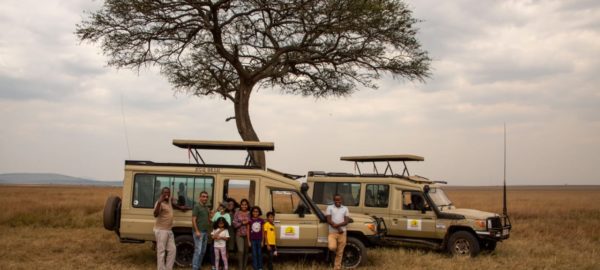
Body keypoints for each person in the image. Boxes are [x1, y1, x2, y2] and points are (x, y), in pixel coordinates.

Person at [153, 187, 188, 270]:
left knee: (172, 250)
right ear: (162, 194)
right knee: (161, 252)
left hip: (168, 230)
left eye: (168, 192)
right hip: (161, 230)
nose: (167, 194)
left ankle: (168, 268)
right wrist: (159, 202)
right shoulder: (159, 203)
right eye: (165, 192)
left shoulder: (168, 201)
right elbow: (155, 214)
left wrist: (181, 208)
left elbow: (173, 205)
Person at [325, 194, 350, 270]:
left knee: (340, 253)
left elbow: (346, 221)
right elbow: (329, 220)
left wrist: (338, 226)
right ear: (334, 200)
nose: (337, 201)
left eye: (339, 200)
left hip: (342, 233)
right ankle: (333, 255)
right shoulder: (329, 208)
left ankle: (337, 267)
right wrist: (338, 227)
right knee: (332, 247)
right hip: (332, 233)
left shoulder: (345, 208)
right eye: (336, 200)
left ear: (341, 200)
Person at [192, 191, 212, 270]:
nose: (205, 198)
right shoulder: (197, 206)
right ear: (200, 197)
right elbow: (193, 219)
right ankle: (195, 268)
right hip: (199, 232)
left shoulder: (206, 208)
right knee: (198, 251)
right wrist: (196, 231)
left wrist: (211, 216)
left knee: (203, 251)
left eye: (206, 197)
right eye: (203, 196)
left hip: (205, 232)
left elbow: (209, 220)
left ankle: (198, 266)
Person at [233, 199, 251, 270]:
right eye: (242, 204)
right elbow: (234, 224)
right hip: (239, 234)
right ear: (240, 205)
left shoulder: (250, 213)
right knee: (241, 251)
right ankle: (240, 267)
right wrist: (242, 223)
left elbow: (252, 222)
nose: (244, 206)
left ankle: (244, 267)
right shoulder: (237, 213)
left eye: (245, 204)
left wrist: (248, 222)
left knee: (246, 251)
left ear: (247, 205)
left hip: (248, 235)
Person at [247, 206, 265, 270]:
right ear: (252, 212)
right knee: (254, 254)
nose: (255, 213)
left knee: (259, 254)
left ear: (259, 212)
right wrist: (248, 241)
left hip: (259, 240)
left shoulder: (261, 220)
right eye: (254, 211)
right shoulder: (250, 221)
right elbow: (248, 231)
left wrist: (263, 241)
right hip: (252, 240)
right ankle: (255, 267)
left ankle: (260, 267)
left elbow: (263, 231)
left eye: (257, 211)